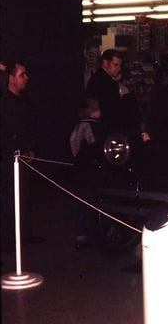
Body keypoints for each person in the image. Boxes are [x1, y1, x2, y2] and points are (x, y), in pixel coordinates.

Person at [0, 60, 43, 249]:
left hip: (24, 157)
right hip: (7, 158)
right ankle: (8, 239)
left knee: (25, 195)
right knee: (8, 197)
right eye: (21, 75)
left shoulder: (26, 101)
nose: (26, 78)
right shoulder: (3, 102)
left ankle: (25, 233)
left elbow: (31, 128)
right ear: (11, 78)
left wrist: (31, 149)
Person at [86, 49, 150, 142]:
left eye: (119, 65)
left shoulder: (101, 78)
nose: (118, 68)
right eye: (115, 65)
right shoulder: (106, 82)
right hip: (107, 127)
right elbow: (112, 108)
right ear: (105, 63)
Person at [69, 98, 104, 250]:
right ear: (94, 112)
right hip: (90, 171)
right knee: (89, 202)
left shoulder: (79, 125)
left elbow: (73, 143)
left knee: (82, 203)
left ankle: (81, 234)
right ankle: (85, 235)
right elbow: (93, 146)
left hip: (80, 171)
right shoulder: (91, 126)